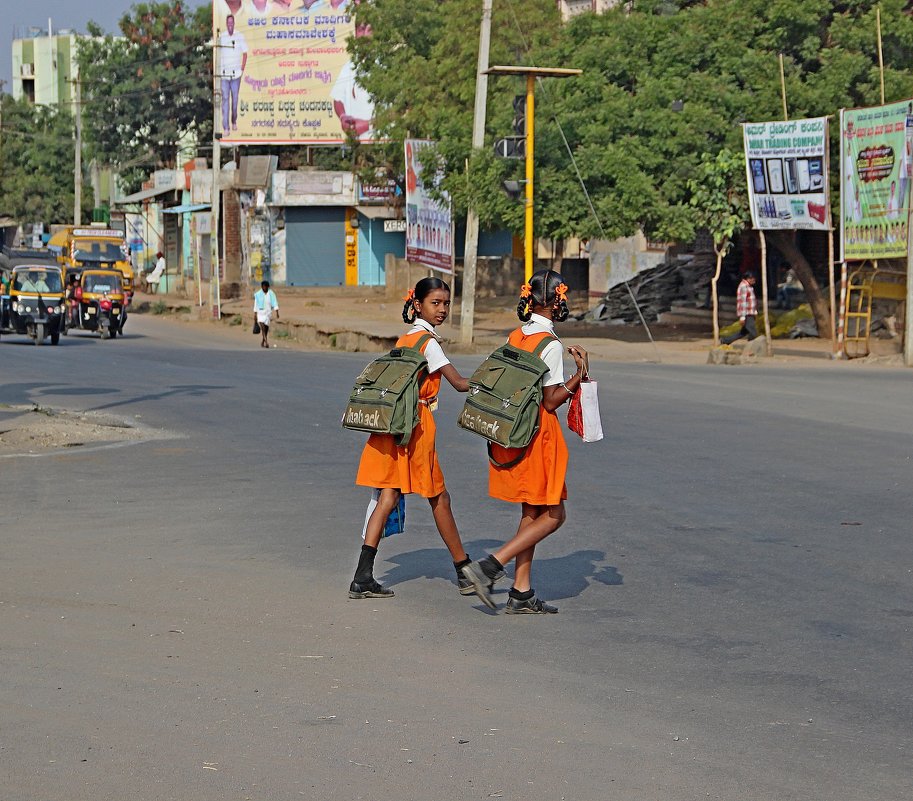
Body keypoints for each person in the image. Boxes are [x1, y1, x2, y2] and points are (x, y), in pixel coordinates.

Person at [460, 270, 589, 615]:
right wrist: (579, 374)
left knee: (531, 511)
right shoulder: (550, 345)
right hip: (538, 434)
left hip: (512, 431)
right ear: (558, 300)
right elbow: (550, 400)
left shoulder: (516, 335)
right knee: (554, 515)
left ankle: (521, 591)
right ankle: (489, 567)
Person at [349, 277, 477, 599]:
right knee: (439, 497)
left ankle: (362, 576)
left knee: (387, 497)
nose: (443, 310)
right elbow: (460, 384)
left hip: (393, 427)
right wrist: (497, 383)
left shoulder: (406, 338)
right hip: (417, 428)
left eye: (446, 303)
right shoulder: (429, 343)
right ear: (418, 304)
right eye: (436, 303)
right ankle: (464, 570)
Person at [219, 15, 248, 134]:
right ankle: (226, 127)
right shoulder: (222, 37)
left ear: (234, 23)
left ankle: (234, 121)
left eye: (232, 23)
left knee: (234, 100)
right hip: (224, 75)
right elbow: (218, 54)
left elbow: (245, 53)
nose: (230, 25)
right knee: (225, 100)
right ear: (226, 24)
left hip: (236, 75)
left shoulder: (240, 36)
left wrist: (242, 68)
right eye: (228, 23)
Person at [722, 272, 758, 344]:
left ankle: (726, 340)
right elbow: (743, 302)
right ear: (748, 279)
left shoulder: (749, 286)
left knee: (743, 332)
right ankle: (751, 347)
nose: (754, 280)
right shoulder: (743, 286)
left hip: (750, 312)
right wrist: (742, 317)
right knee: (753, 332)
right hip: (747, 313)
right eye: (753, 278)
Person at [253, 280, 279, 348]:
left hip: (268, 313)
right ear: (261, 287)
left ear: (268, 287)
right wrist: (255, 314)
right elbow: (255, 304)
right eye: (263, 286)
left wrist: (277, 312)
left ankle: (263, 341)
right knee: (263, 328)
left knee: (266, 328)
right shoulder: (258, 294)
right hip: (260, 313)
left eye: (265, 286)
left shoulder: (271, 294)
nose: (264, 288)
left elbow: (274, 302)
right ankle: (266, 342)